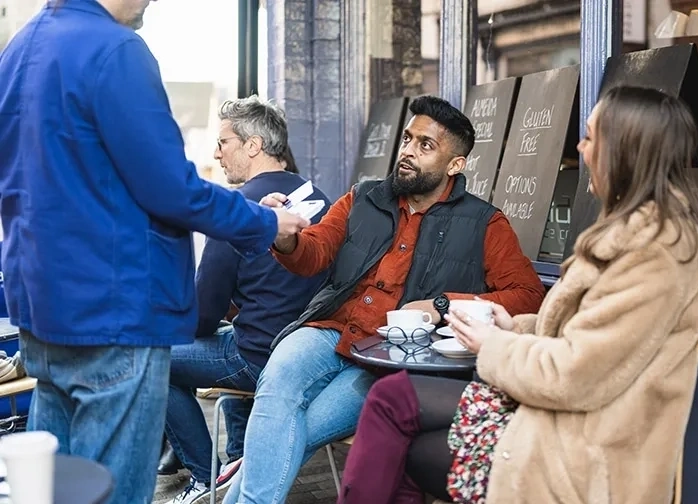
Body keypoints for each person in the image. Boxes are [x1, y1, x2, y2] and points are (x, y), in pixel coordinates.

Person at [338, 85, 698, 504]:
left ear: (626, 152)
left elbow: (577, 375)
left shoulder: (655, 254)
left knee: (403, 442)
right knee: (393, 399)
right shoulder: (638, 236)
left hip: (582, 450)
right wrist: (517, 326)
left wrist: (495, 345)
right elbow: (593, 337)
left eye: (592, 136)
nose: (579, 147)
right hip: (557, 415)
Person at [0, 2, 309, 504]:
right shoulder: (116, 50)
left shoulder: (18, 50)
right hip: (114, 312)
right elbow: (172, 189)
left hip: (42, 310)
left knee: (53, 490)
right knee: (114, 491)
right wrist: (264, 221)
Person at [223, 95, 546, 504]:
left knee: (291, 430)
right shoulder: (364, 197)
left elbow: (528, 296)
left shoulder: (485, 223)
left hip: (389, 357)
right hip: (328, 329)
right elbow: (313, 253)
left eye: (425, 145)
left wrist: (442, 305)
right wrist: (285, 238)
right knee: (277, 384)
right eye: (408, 139)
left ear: (455, 165)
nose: (408, 151)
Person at [163, 96, 332, 504]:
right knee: (231, 335)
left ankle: (207, 477)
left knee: (154, 357)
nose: (216, 153)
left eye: (223, 143)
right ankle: (241, 456)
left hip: (258, 357)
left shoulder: (236, 211)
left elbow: (204, 314)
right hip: (310, 357)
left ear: (253, 145)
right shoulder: (324, 199)